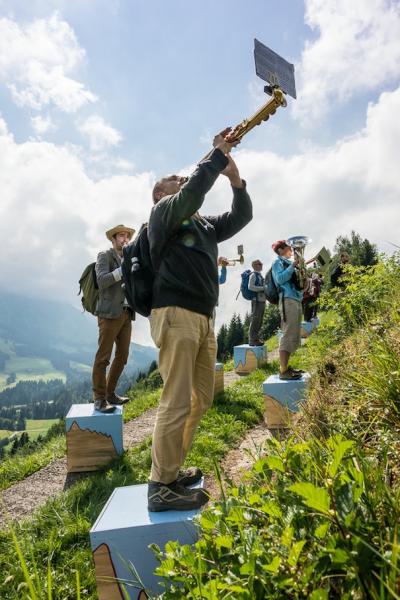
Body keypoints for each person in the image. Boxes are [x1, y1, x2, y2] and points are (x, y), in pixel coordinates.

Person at [147, 133, 252, 511]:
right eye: (175, 179)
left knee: (200, 399)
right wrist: (216, 155)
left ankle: (171, 471)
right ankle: (160, 486)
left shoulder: (204, 226)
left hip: (203, 319)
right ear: (161, 195)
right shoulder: (164, 214)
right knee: (176, 401)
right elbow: (192, 192)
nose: (183, 179)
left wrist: (236, 179)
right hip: (175, 314)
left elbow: (242, 216)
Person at [92, 224, 135, 413]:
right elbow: (101, 281)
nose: (125, 239)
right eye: (121, 236)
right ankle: (99, 400)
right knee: (103, 358)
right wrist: (122, 271)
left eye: (127, 236)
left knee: (123, 356)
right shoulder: (104, 256)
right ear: (113, 239)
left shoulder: (130, 257)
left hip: (127, 312)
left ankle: (110, 393)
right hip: (109, 314)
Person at [271, 240, 304, 381]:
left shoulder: (288, 263)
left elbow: (296, 283)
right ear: (280, 250)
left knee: (294, 334)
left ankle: (286, 368)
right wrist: (293, 266)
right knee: (287, 333)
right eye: (288, 247)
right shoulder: (277, 263)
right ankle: (283, 370)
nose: (291, 249)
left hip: (295, 299)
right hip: (286, 299)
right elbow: (279, 279)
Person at [248, 259, 266, 346]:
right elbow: (250, 287)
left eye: (261, 263)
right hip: (256, 301)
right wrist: (263, 288)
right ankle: (252, 340)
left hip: (262, 300)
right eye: (259, 264)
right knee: (255, 320)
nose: (261, 265)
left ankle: (256, 339)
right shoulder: (253, 275)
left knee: (259, 320)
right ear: (255, 266)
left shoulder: (259, 275)